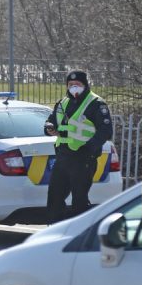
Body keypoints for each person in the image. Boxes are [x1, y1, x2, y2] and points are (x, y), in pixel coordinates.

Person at [44, 70, 113, 223]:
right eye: (70, 84)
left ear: (85, 85)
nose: (73, 87)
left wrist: (89, 148)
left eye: (77, 84)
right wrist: (49, 128)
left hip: (83, 158)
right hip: (63, 158)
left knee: (79, 201)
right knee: (54, 198)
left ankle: (79, 239)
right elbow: (51, 121)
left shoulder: (96, 103)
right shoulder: (63, 102)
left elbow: (106, 131)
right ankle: (54, 235)